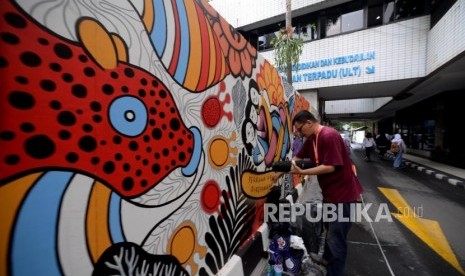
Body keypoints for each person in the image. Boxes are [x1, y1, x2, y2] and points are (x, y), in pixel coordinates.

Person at [273, 110, 363, 276]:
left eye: (300, 129)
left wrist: (302, 171)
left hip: (343, 196)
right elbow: (298, 157)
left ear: (309, 122)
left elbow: (331, 166)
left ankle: (334, 272)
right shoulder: (312, 139)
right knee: (330, 233)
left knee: (336, 240)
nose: (299, 134)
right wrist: (282, 170)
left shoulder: (329, 136)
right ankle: (327, 263)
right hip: (331, 195)